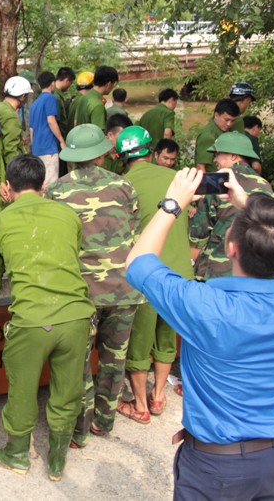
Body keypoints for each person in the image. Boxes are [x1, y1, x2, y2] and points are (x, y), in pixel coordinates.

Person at [126, 171, 274, 501]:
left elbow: (137, 262)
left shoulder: (207, 307)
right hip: (272, 460)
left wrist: (172, 204)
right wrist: (250, 205)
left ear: (231, 248)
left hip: (214, 467)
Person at [0, 155, 94, 482]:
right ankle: (57, 460)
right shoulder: (68, 215)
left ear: (7, 187)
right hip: (75, 316)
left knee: (22, 389)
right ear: (44, 185)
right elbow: (71, 257)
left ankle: (17, 453)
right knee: (67, 389)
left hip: (31, 320)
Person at [46, 125, 141, 448]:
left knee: (79, 360)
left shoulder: (57, 191)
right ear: (102, 153)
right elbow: (135, 233)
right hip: (125, 287)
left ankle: (80, 428)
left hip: (81, 291)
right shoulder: (125, 187)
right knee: (115, 358)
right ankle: (104, 420)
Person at [119, 125, 192, 424]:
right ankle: (159, 396)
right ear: (151, 150)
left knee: (139, 341)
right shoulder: (176, 181)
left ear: (120, 156)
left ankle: (139, 405)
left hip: (147, 276)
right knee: (166, 338)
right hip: (179, 274)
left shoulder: (123, 185)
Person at [191, 132, 274, 281]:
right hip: (254, 270)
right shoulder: (265, 185)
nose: (214, 159)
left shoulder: (217, 183)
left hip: (216, 273)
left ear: (234, 156)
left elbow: (199, 234)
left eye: (217, 154)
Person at [29, 71, 65, 186]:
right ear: (52, 83)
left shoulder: (34, 104)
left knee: (39, 185)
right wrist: (61, 141)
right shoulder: (50, 98)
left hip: (36, 150)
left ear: (39, 85)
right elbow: (51, 120)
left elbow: (31, 129)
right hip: (49, 149)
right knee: (51, 186)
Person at [0, 76, 33, 167]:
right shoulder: (10, 117)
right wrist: (17, 171)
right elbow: (11, 150)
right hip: (4, 166)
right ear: (23, 96)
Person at [193, 99, 241, 172]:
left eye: (232, 121)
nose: (229, 124)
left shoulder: (226, 131)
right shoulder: (208, 136)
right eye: (226, 120)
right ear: (216, 115)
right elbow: (200, 167)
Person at [54, 67, 76, 137]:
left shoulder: (54, 94)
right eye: (70, 83)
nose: (69, 86)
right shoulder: (56, 98)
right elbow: (54, 122)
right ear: (67, 80)